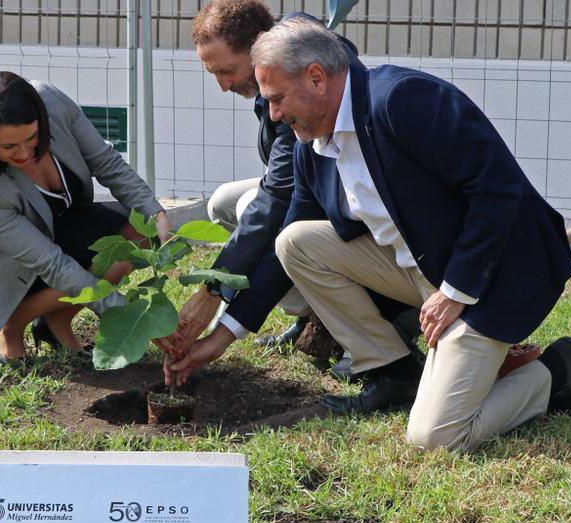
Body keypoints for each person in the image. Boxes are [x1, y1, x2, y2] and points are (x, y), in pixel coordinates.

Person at [242, 19, 571, 452]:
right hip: (423, 268)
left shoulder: (402, 100)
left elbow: (497, 189)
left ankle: (553, 373)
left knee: (435, 437)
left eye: (276, 99)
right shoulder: (309, 145)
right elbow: (291, 239)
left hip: (492, 277)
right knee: (296, 241)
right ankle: (393, 371)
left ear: (316, 78)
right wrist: (223, 334)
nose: (273, 114)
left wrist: (456, 291)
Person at [162, 1, 416, 380]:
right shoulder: (284, 69)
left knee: (267, 217)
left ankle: (382, 321)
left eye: (227, 70)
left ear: (256, 43)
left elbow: (278, 201)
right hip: (320, 194)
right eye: (213, 73)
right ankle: (312, 312)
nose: (224, 85)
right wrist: (220, 329)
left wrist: (213, 289)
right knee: (225, 203)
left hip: (369, 219)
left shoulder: (302, 88)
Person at [0, 71, 172, 361]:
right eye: (9, 147)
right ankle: (11, 325)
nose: (24, 153)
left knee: (138, 234)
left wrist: (155, 212)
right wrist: (128, 315)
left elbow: (106, 162)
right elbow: (50, 263)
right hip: (5, 268)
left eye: (32, 138)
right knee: (80, 265)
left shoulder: (51, 102)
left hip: (54, 229)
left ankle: (55, 321)